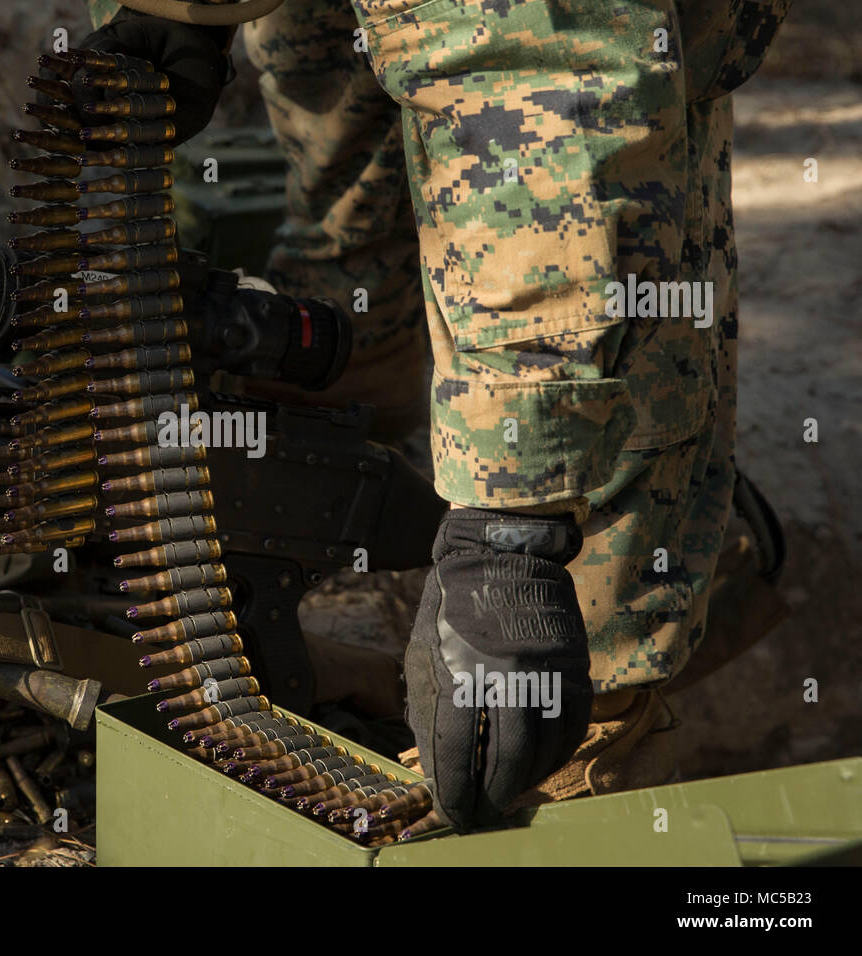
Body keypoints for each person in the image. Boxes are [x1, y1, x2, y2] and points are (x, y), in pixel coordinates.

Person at [77, 0, 789, 829]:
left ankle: (585, 731)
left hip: (563, 72)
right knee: (333, 68)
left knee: (602, 296)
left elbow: (545, 91)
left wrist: (514, 530)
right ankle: (370, 356)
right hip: (476, 60)